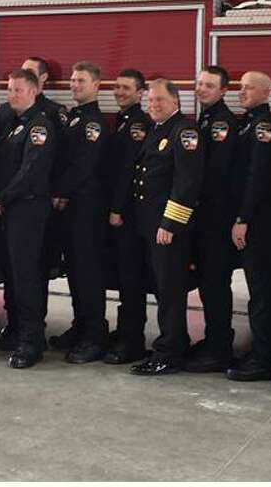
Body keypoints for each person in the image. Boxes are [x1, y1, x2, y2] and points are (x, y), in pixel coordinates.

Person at [126, 79, 203, 377]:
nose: (153, 105)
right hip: (150, 225)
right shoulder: (159, 130)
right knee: (162, 289)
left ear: (176, 102)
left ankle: (169, 354)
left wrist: (170, 223)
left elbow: (187, 182)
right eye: (150, 100)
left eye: (159, 100)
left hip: (167, 227)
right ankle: (174, 344)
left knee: (170, 291)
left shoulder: (184, 131)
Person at [0, 68, 57, 369]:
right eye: (9, 89)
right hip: (9, 210)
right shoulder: (13, 125)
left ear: (33, 92)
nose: (11, 94)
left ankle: (32, 342)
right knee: (12, 275)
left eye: (18, 90)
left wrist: (1, 198)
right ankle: (16, 329)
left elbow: (30, 172)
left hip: (27, 209)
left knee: (26, 276)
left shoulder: (39, 127)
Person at [48, 61, 111, 364]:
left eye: (81, 81)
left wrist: (60, 191)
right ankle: (80, 325)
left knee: (88, 274)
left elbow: (84, 165)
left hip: (86, 208)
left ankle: (95, 336)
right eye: (72, 81)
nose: (74, 85)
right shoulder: (74, 118)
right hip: (69, 209)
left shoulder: (93, 123)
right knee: (73, 271)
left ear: (97, 85)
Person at [227, 70, 271, 382]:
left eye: (250, 88)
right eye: (241, 87)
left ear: (266, 92)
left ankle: (264, 360)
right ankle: (259, 352)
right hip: (250, 220)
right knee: (256, 291)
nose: (243, 92)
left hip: (258, 223)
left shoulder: (263, 126)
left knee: (262, 293)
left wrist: (243, 218)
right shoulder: (248, 122)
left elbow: (258, 177)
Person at [188, 65, 241, 373]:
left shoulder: (221, 122)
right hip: (205, 218)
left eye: (209, 85)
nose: (202, 89)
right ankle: (213, 340)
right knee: (209, 285)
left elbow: (215, 173)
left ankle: (220, 349)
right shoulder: (206, 119)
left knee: (216, 284)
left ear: (223, 91)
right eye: (199, 84)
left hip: (216, 219)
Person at [104, 68, 152, 365]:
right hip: (119, 213)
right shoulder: (123, 121)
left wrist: (117, 210)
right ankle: (124, 332)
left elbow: (127, 172)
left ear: (140, 92)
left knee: (132, 278)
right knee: (123, 277)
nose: (120, 92)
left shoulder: (137, 124)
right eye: (117, 87)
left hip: (128, 216)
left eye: (126, 88)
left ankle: (132, 341)